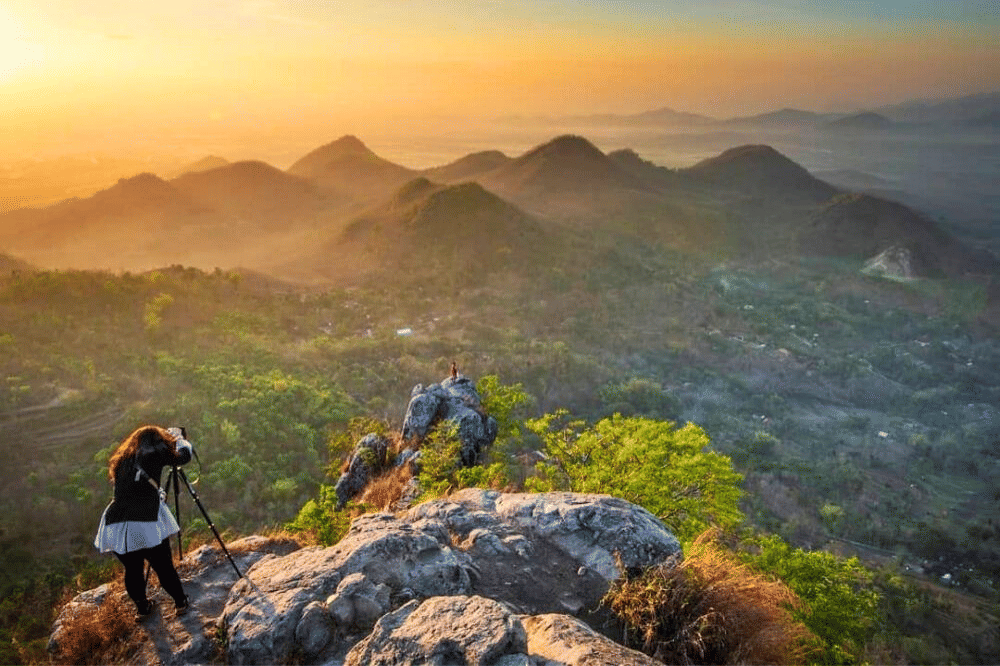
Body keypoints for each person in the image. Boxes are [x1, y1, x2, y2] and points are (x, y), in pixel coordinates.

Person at [94, 425, 193, 618]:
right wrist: (180, 439)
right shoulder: (155, 453)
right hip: (144, 521)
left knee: (132, 569)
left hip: (116, 522)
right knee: (163, 566)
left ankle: (142, 608)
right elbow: (183, 457)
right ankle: (181, 602)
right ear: (157, 440)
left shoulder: (123, 460)